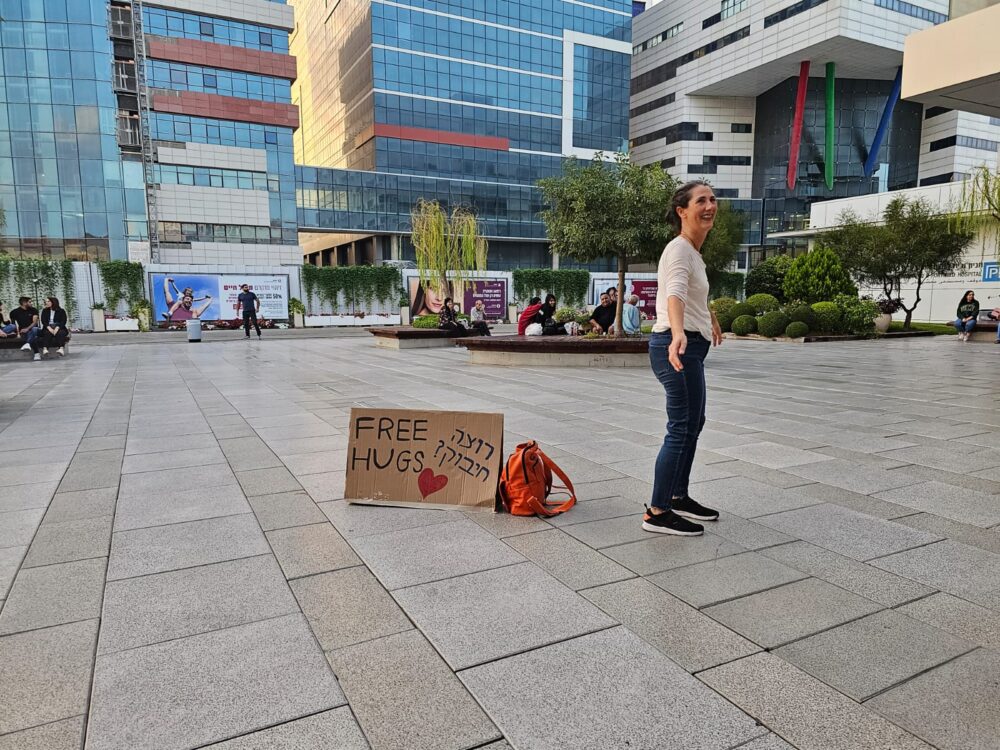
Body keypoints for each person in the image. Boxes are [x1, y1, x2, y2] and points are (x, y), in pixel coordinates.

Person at [643, 180, 724, 537]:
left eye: (712, 199)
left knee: (694, 423)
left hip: (690, 344)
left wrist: (710, 317)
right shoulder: (678, 249)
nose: (710, 206)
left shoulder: (693, 252)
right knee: (680, 428)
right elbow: (674, 295)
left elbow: (691, 295)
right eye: (701, 201)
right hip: (675, 346)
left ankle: (678, 495)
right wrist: (678, 333)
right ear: (682, 211)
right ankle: (658, 511)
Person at [31, 297, 69, 361]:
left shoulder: (61, 311)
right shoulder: (45, 311)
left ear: (53, 302)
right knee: (47, 333)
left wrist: (57, 328)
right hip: (48, 327)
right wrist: (49, 328)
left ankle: (61, 348)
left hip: (59, 327)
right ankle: (45, 348)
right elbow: (44, 321)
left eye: (48, 301)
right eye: (46, 301)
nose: (47, 303)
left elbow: (63, 321)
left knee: (60, 333)